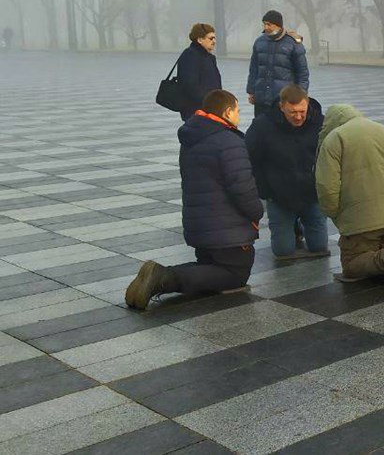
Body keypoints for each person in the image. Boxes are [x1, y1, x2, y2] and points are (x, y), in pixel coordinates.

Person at [124, 90, 262, 309]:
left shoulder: (192, 136)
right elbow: (242, 187)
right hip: (227, 230)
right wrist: (257, 213)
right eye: (237, 110)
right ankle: (162, 278)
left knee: (209, 266)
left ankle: (156, 277)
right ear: (227, 111)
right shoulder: (228, 140)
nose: (238, 115)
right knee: (235, 275)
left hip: (200, 226)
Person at [315, 104, 384, 286]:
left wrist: (335, 213)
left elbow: (326, 186)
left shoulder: (334, 139)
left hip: (358, 220)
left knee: (352, 265)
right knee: (382, 257)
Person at [245, 84, 328, 260]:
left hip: (311, 194)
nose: (298, 117)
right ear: (281, 107)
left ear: (308, 105)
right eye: (292, 112)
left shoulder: (320, 123)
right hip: (279, 196)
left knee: (319, 247)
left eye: (302, 112)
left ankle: (301, 225)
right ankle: (290, 226)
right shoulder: (262, 125)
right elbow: (249, 158)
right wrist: (265, 190)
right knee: (283, 251)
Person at [247, 10, 309, 117]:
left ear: (278, 25)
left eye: (269, 24)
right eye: (264, 24)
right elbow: (253, 69)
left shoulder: (293, 44)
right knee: (261, 129)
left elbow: (302, 73)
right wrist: (251, 90)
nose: (266, 27)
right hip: (261, 98)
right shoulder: (259, 42)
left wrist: (301, 95)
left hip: (283, 100)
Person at [175, 23, 222, 121]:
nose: (214, 41)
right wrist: (209, 102)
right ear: (200, 40)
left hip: (211, 110)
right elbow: (190, 86)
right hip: (196, 111)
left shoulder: (209, 57)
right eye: (210, 38)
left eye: (214, 38)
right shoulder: (190, 56)